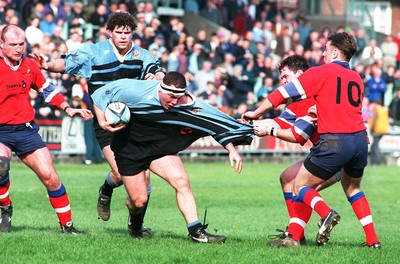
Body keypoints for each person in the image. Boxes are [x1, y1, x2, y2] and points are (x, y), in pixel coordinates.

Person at [31, 11, 164, 236]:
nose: (123, 36)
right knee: (121, 173)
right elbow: (66, 63)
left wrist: (156, 78)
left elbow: (158, 72)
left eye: (127, 32)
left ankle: (136, 226)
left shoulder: (141, 55)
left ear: (132, 33)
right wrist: (47, 65)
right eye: (119, 32)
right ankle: (106, 189)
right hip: (107, 122)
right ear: (109, 32)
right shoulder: (94, 52)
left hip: (136, 123)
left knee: (144, 176)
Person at [242, 32, 381, 249]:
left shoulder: (320, 74)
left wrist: (256, 113)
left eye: (326, 49)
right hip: (360, 141)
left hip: (335, 142)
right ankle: (373, 241)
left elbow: (282, 95)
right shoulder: (356, 78)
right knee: (352, 188)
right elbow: (283, 120)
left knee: (300, 184)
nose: (323, 53)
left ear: (335, 52)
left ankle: (324, 215)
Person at [91, 71, 254, 242]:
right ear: (160, 89)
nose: (174, 102)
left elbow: (215, 123)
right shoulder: (135, 90)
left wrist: (231, 149)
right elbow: (99, 95)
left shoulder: (190, 104)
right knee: (138, 201)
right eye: (170, 96)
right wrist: (102, 120)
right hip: (130, 149)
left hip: (160, 149)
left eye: (178, 97)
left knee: (181, 181)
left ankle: (196, 232)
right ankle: (115, 200)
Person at [0, 24, 91, 234]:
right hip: (1, 131)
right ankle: (5, 206)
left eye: (22, 43)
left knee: (51, 177)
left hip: (26, 130)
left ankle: (67, 226)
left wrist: (68, 108)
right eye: (13, 44)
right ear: (1, 44)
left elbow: (47, 90)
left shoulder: (30, 65)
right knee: (1, 167)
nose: (18, 48)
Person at [251, 55, 340, 244]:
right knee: (286, 178)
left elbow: (299, 135)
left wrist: (270, 131)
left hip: (335, 155)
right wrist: (249, 123)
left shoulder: (311, 97)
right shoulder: (297, 102)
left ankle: (301, 231)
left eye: (285, 77)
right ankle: (296, 234)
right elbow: (278, 121)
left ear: (300, 74)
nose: (282, 82)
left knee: (300, 186)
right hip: (327, 152)